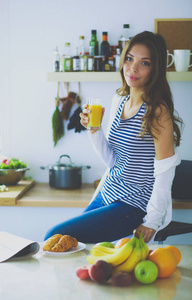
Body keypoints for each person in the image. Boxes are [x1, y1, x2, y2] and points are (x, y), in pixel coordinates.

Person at [44, 31, 183, 244]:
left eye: (144, 63)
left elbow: (165, 172)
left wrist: (152, 221)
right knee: (67, 245)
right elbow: (113, 160)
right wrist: (94, 129)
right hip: (108, 193)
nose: (133, 68)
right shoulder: (120, 100)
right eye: (129, 59)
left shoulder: (156, 111)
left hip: (132, 205)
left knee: (53, 237)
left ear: (155, 69)